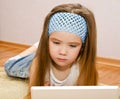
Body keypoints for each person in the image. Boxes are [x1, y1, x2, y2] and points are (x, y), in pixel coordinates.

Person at [24, 3, 98, 99]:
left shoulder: (82, 69)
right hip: (25, 63)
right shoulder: (38, 64)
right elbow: (30, 96)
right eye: (56, 43)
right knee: (11, 64)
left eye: (72, 45)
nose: (63, 52)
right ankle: (35, 47)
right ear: (47, 41)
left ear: (83, 47)